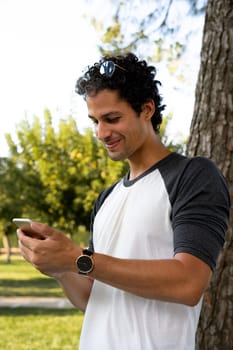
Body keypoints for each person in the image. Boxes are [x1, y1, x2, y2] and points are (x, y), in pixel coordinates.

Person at [17, 52, 230, 350]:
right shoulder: (106, 198)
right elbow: (93, 298)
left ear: (146, 109)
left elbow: (188, 283)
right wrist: (61, 269)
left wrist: (78, 259)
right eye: (95, 121)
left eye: (112, 119)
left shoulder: (193, 175)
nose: (102, 133)